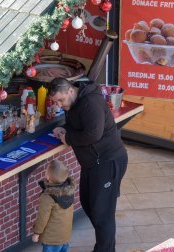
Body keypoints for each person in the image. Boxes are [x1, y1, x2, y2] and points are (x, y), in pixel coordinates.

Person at [48, 77, 128, 252]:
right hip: (92, 163)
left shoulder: (91, 102)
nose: (60, 105)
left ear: (70, 90)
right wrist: (65, 130)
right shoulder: (74, 103)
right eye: (56, 102)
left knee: (102, 214)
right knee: (88, 203)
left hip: (108, 161)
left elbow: (93, 134)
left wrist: (68, 138)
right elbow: (80, 126)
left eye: (61, 100)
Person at [32, 159, 75, 252]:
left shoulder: (47, 198)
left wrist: (36, 233)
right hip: (65, 236)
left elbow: (42, 218)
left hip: (52, 239)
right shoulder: (69, 191)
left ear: (48, 176)